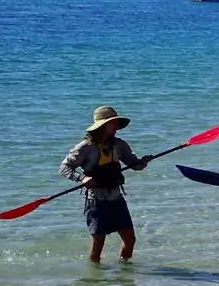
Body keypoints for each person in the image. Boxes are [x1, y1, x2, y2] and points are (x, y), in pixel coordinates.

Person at [59, 106, 152, 263]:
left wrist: (142, 162)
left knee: (130, 240)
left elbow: (133, 164)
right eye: (112, 123)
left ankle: (125, 274)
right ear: (102, 126)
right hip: (96, 200)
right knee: (98, 244)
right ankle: (95, 281)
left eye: (116, 123)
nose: (116, 127)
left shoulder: (120, 145)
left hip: (116, 197)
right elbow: (64, 168)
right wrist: (82, 178)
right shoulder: (85, 147)